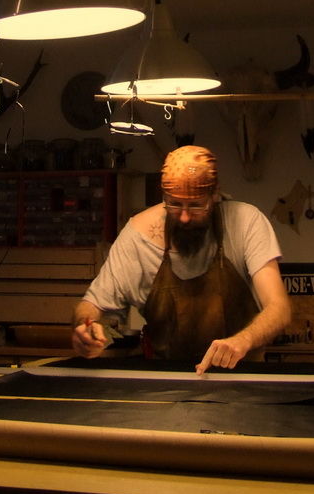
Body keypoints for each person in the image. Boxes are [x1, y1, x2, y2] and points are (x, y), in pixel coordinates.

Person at [71, 145, 291, 374]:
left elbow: (279, 308)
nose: (184, 217)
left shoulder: (245, 223)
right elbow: (94, 306)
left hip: (243, 375)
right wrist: (86, 329)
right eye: (175, 204)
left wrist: (243, 340)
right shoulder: (138, 237)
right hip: (168, 379)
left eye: (196, 205)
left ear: (215, 195)